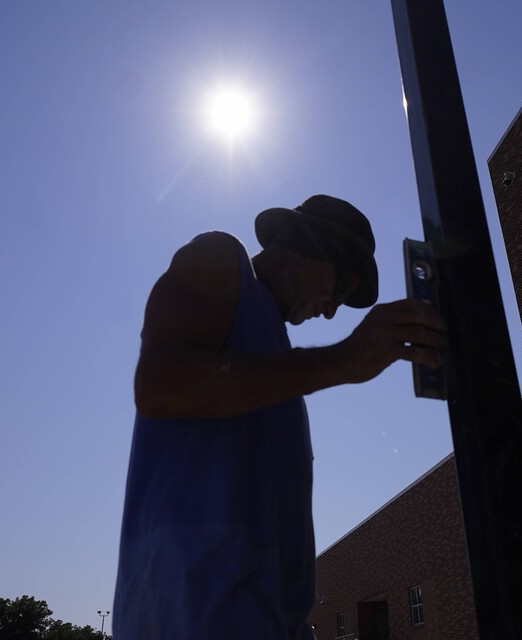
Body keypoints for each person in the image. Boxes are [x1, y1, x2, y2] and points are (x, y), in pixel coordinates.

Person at [112, 195, 446, 639]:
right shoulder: (219, 257)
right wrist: (343, 361)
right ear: (307, 244)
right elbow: (159, 385)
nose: (331, 310)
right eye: (342, 288)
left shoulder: (279, 368)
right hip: (188, 619)